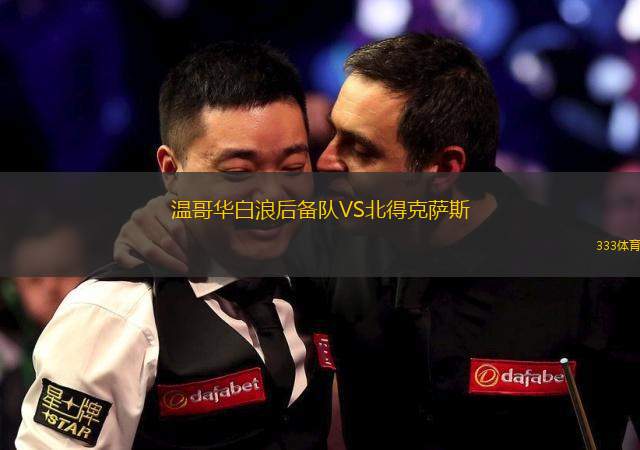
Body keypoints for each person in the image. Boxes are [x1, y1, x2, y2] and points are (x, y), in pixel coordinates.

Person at [114, 33, 639, 449]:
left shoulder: (602, 274)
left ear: (443, 170)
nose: (326, 162)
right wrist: (163, 215)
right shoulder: (319, 238)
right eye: (333, 134)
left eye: (361, 150)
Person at [16, 42, 335, 449]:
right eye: (239, 173)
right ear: (172, 171)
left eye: (292, 168)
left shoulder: (323, 278)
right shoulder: (112, 316)